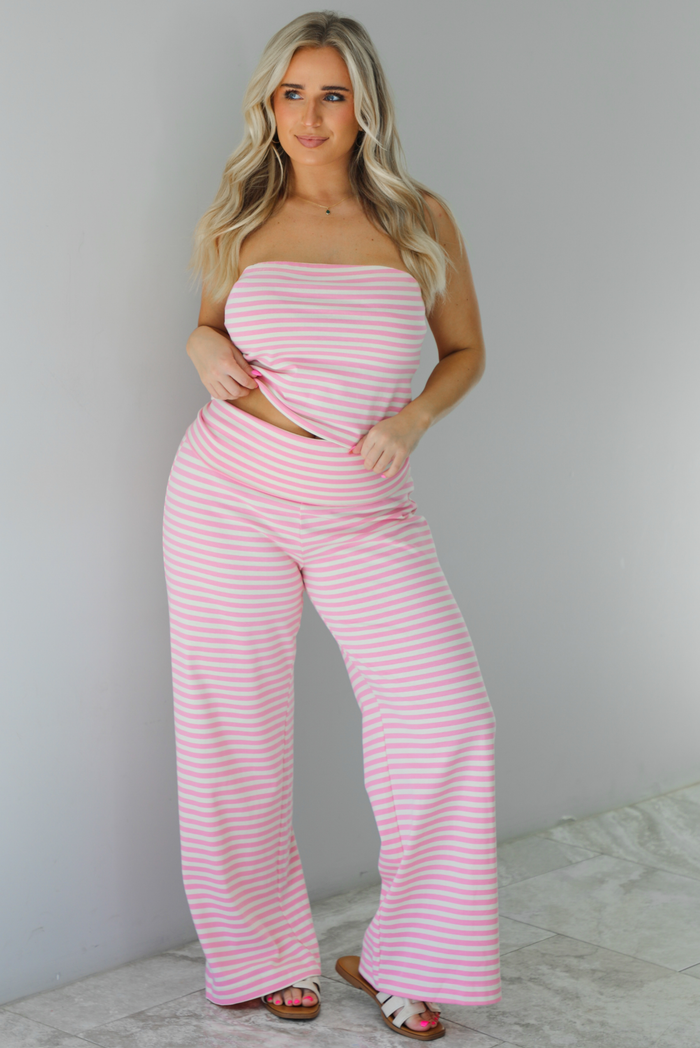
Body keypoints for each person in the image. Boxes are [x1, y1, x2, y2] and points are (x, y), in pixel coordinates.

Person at [162, 10, 501, 1041]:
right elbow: (214, 329)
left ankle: (409, 959)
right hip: (231, 493)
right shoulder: (239, 214)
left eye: (332, 94)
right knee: (236, 733)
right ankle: (261, 954)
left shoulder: (417, 217)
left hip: (365, 510)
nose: (309, 116)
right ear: (269, 105)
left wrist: (411, 419)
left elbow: (465, 351)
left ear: (366, 106)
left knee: (447, 718)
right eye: (291, 94)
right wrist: (195, 345)